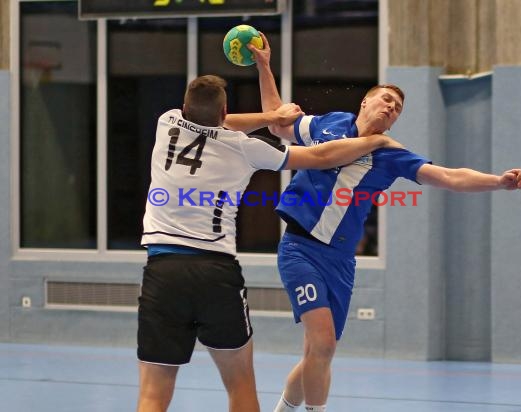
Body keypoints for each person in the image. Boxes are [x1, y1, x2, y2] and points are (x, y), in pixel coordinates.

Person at [249, 34, 521, 412]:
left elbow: (449, 176)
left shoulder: (391, 154)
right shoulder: (329, 123)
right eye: (386, 99)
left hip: (342, 261)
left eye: (397, 108)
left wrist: (497, 181)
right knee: (325, 344)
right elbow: (278, 124)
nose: (391, 108)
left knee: (318, 353)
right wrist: (265, 67)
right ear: (365, 101)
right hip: (300, 248)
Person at [136, 74, 398, 412]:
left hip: (163, 269)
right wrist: (374, 142)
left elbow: (216, 120)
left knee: (153, 394)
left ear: (184, 108)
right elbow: (320, 158)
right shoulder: (247, 147)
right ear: (224, 111)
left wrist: (270, 118)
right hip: (216, 272)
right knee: (241, 383)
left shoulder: (167, 122)